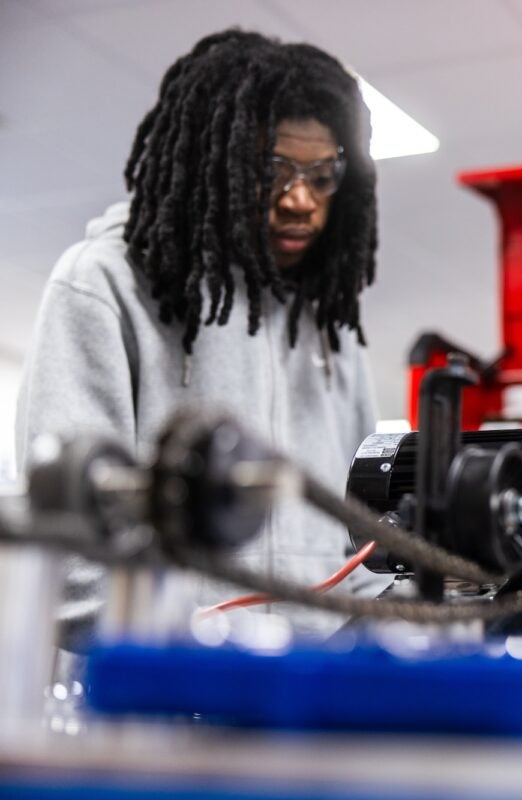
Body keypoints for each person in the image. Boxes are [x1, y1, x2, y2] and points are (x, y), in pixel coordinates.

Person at [17, 29, 389, 645]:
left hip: (307, 703)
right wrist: (202, 658)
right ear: (215, 161)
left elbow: (361, 540)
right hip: (155, 702)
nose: (301, 200)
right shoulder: (104, 286)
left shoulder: (329, 329)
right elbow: (71, 547)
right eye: (274, 170)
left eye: (323, 175)